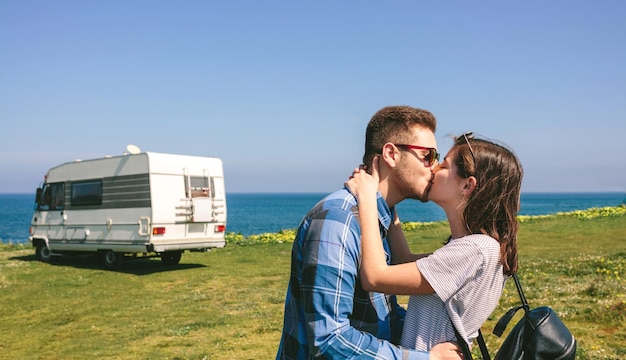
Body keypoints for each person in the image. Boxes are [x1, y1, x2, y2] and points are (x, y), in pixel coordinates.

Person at [276, 106, 462, 359]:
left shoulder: (378, 216)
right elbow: (329, 340)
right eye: (428, 156)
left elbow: (382, 316)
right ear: (391, 154)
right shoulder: (338, 220)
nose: (435, 168)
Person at [346, 133, 523, 352]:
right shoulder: (478, 247)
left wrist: (366, 197)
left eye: (444, 166)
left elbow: (374, 277)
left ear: (468, 186)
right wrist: (387, 199)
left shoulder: (475, 250)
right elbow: (403, 260)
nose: (434, 168)